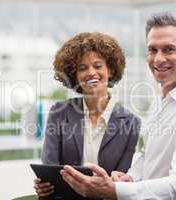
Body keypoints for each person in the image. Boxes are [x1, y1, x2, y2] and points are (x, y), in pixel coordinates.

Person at [60, 12, 176, 200]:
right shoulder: (161, 99)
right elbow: (149, 156)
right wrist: (130, 177)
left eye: (169, 50)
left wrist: (114, 191)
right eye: (152, 50)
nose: (159, 59)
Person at [33, 32, 141, 198]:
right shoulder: (59, 113)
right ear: (74, 76)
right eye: (82, 68)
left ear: (110, 70)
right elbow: (49, 168)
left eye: (98, 66)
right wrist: (44, 186)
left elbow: (121, 180)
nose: (91, 72)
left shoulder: (131, 122)